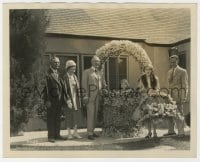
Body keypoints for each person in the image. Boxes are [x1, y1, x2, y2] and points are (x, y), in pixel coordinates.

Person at [81, 56, 107, 140]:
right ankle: (89, 133)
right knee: (90, 114)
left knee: (95, 114)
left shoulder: (100, 72)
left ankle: (93, 131)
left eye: (98, 62)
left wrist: (104, 88)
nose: (97, 63)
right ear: (92, 62)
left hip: (98, 97)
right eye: (95, 61)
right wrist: (85, 95)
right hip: (90, 97)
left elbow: (103, 84)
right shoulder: (87, 72)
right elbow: (84, 85)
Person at [164, 53, 188, 137]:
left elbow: (184, 85)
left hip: (178, 95)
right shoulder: (169, 71)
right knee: (169, 112)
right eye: (171, 62)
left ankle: (181, 132)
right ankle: (171, 131)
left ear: (177, 61)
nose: (172, 64)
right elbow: (168, 84)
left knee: (179, 113)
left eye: (174, 62)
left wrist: (183, 97)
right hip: (170, 96)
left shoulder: (182, 71)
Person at [43, 56, 66, 142]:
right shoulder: (47, 74)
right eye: (55, 62)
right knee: (51, 118)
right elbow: (45, 89)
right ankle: (51, 137)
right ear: (51, 63)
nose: (57, 64)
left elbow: (62, 87)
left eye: (58, 62)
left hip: (59, 100)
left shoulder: (59, 74)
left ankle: (57, 135)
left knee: (58, 118)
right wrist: (46, 100)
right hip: (51, 101)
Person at [138, 64, 160, 139]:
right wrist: (145, 90)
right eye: (146, 69)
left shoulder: (155, 78)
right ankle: (149, 132)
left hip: (153, 98)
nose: (148, 71)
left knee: (154, 115)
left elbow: (158, 88)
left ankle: (155, 132)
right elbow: (139, 89)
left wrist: (154, 91)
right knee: (147, 116)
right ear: (144, 70)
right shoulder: (142, 78)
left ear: (151, 70)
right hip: (146, 99)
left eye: (149, 69)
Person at [63, 60, 82, 140]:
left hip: (76, 99)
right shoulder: (64, 77)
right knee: (68, 116)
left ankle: (75, 132)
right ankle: (69, 133)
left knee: (75, 116)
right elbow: (64, 90)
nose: (74, 69)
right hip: (69, 100)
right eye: (72, 68)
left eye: (75, 68)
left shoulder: (75, 76)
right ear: (68, 68)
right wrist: (68, 100)